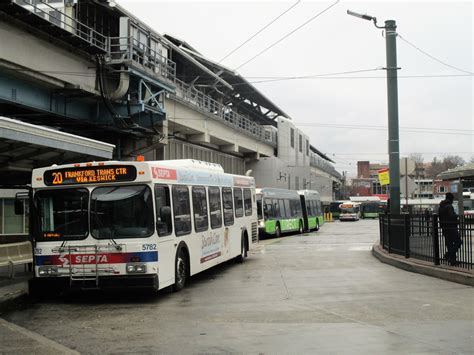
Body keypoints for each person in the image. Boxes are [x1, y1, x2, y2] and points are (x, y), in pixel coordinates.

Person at [438, 192, 462, 266]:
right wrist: (456, 216)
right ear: (451, 199)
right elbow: (452, 216)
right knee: (458, 242)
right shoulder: (449, 206)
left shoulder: (440, 207)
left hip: (444, 228)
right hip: (451, 228)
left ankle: (452, 261)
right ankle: (448, 255)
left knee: (449, 245)